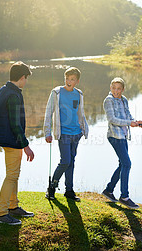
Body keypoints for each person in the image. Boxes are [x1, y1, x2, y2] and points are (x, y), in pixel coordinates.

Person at [0, 61, 35, 225]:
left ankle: (13, 206)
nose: (26, 82)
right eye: (26, 79)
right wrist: (26, 146)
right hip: (11, 140)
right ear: (22, 77)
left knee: (14, 174)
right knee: (11, 176)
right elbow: (15, 124)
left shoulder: (4, 89)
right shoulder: (13, 95)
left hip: (8, 139)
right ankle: (1, 214)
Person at [44, 67, 89, 201]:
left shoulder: (78, 94)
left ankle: (69, 190)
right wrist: (47, 132)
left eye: (72, 79)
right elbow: (48, 113)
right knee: (65, 161)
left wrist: (83, 129)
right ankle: (52, 187)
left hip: (76, 133)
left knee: (72, 162)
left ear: (77, 81)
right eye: (67, 78)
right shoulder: (56, 93)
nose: (69, 81)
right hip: (63, 133)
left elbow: (80, 113)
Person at [102, 77, 142, 209]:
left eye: (119, 88)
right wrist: (129, 123)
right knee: (127, 163)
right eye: (114, 88)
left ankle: (109, 190)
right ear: (110, 88)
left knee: (122, 164)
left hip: (124, 135)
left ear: (123, 89)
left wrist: (136, 122)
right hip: (114, 136)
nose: (116, 91)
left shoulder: (124, 99)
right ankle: (124, 197)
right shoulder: (108, 100)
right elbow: (112, 119)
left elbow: (128, 116)